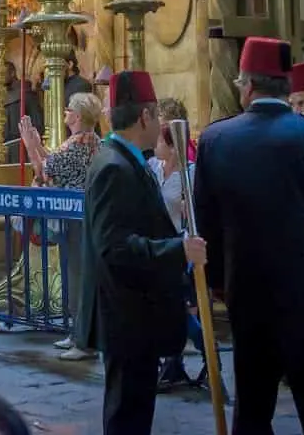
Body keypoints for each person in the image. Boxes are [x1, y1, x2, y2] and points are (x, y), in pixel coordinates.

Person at [195, 37, 304, 435]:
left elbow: (208, 222)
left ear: (247, 86)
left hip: (246, 296)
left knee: (252, 410)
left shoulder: (216, 140)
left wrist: (219, 281)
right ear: (286, 86)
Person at [81, 70, 207, 435]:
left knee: (136, 409)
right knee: (127, 414)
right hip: (127, 314)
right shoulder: (114, 168)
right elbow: (114, 247)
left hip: (135, 314)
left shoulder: (125, 159)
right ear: (145, 117)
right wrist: (177, 250)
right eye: (157, 116)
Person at [15, 92, 103, 361]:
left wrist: (30, 145)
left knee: (77, 278)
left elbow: (44, 172)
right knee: (74, 275)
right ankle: (77, 334)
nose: (65, 114)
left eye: (67, 110)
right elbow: (56, 161)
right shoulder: (90, 140)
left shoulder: (77, 143)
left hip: (76, 219)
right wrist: (38, 146)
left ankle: (83, 342)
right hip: (81, 216)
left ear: (76, 116)